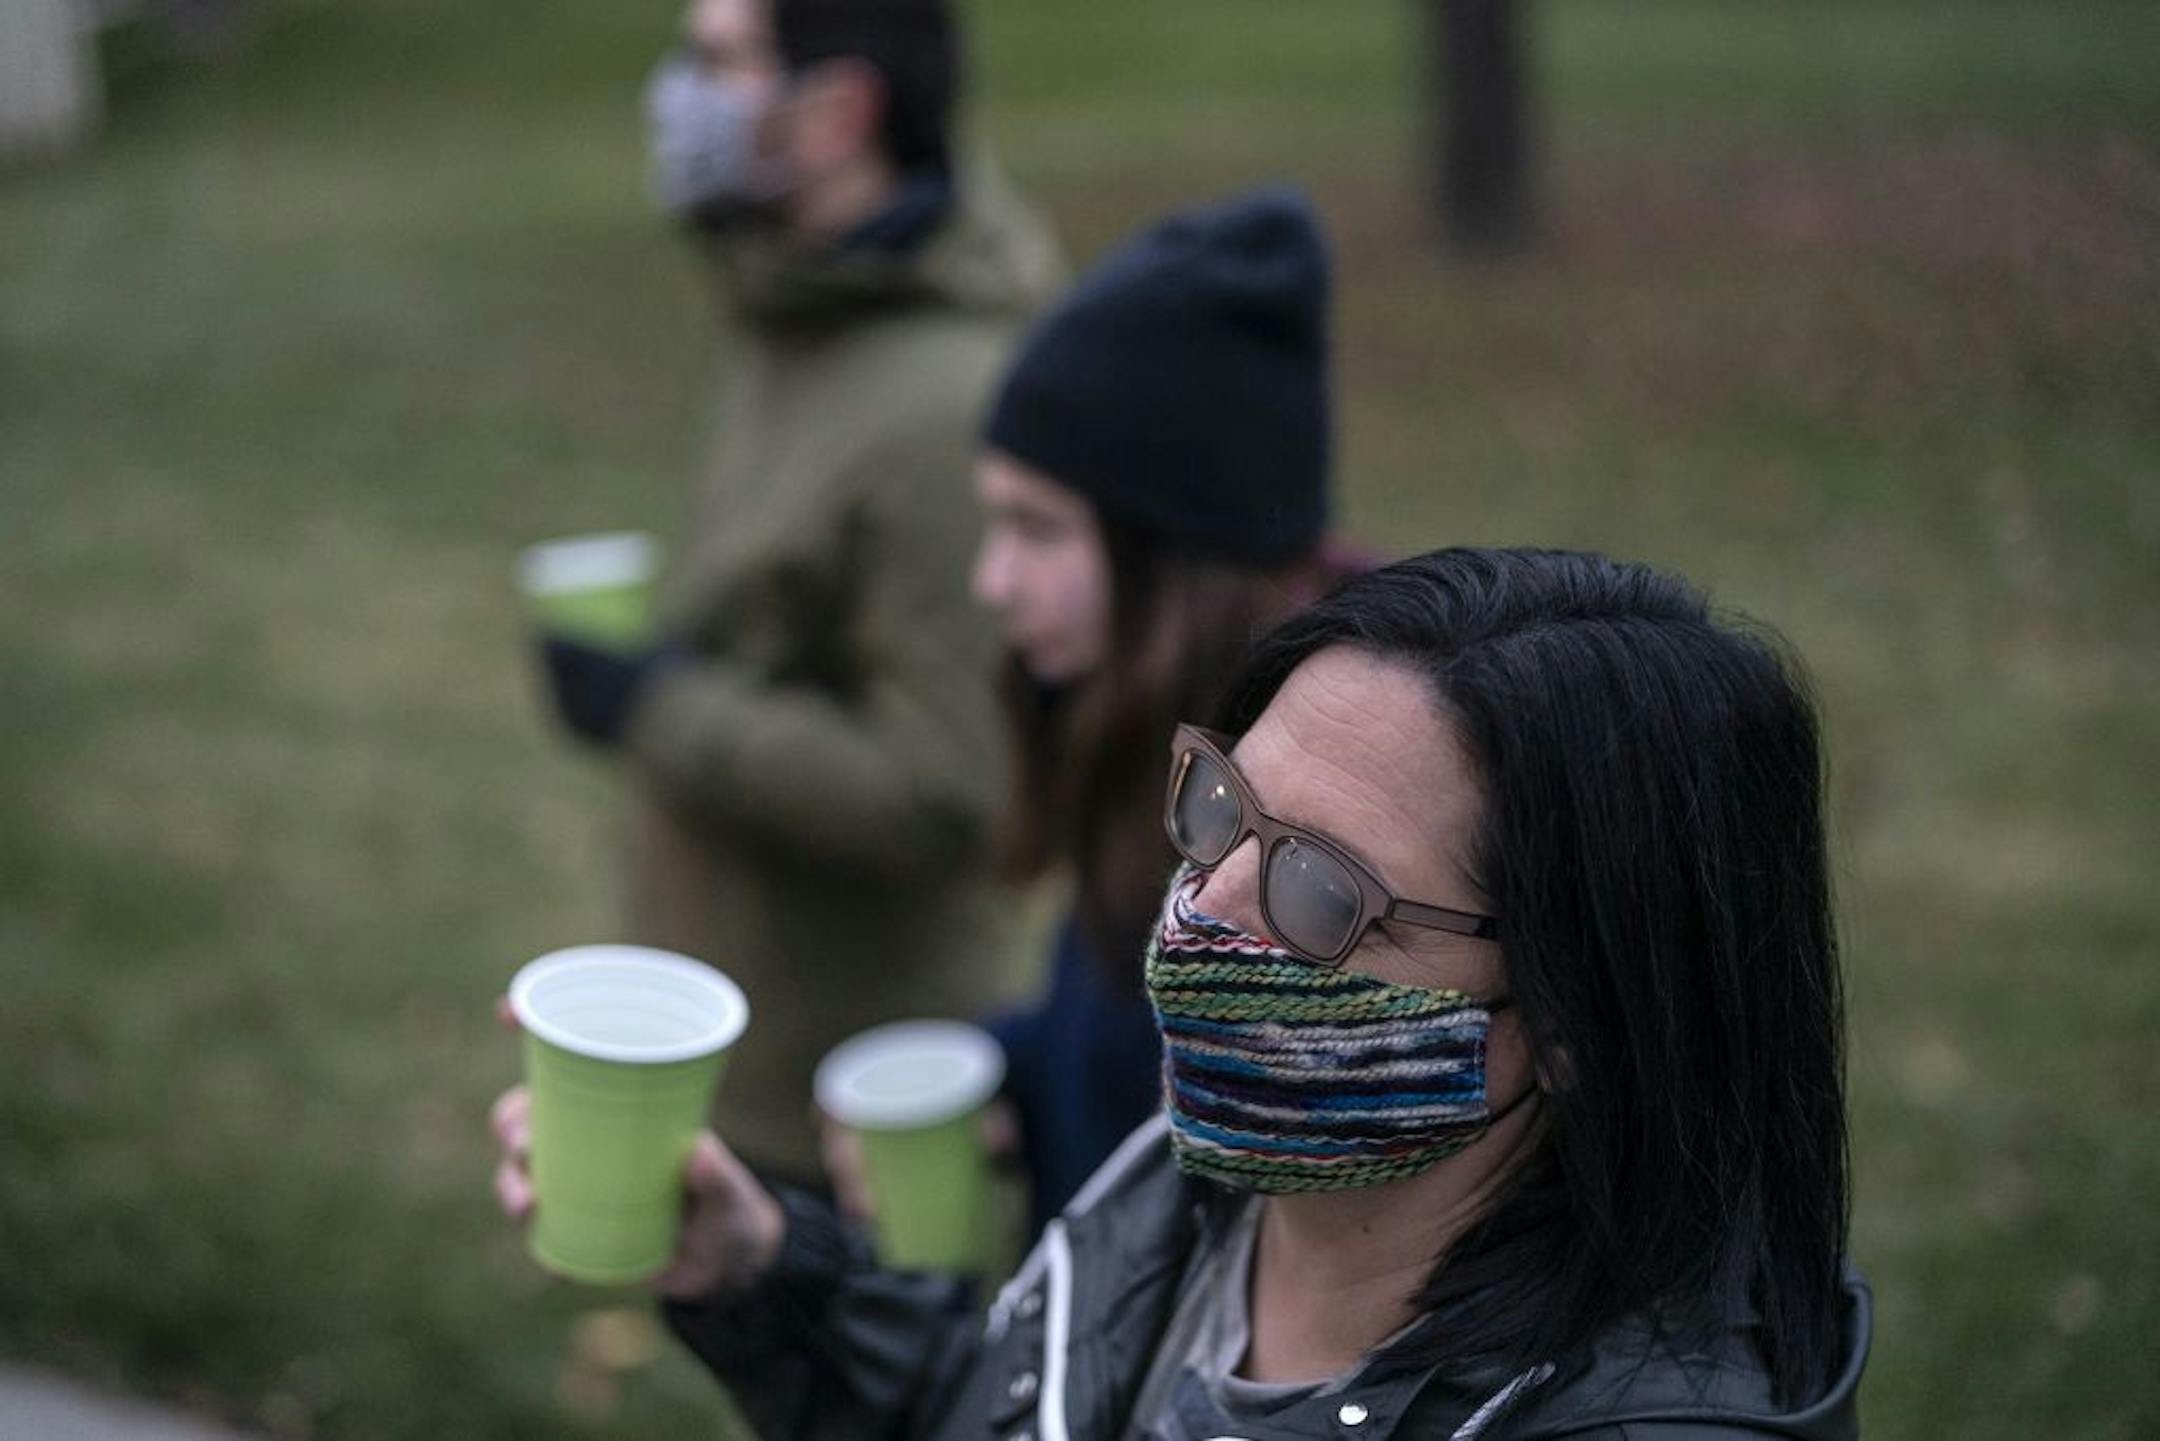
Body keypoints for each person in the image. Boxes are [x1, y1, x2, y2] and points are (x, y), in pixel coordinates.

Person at [498, 547, 1872, 1439]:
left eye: (1323, 892)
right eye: (1223, 809)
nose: (1202, 906)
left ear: (1581, 1015)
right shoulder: (1208, 1174)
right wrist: (770, 1276)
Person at [532, 0, 1061, 1180]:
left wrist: (655, 709)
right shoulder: (797, 305)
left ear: (836, 113)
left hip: (856, 1127)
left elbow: (950, 793)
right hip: (747, 1054)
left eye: (717, 62)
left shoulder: (943, 405)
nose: (673, 93)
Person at [965, 186, 1361, 1233]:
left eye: (1037, 530)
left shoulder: (1288, 875)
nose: (991, 581)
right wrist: (1003, 1076)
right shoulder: (1140, 739)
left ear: (1179, 556)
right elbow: (1109, 1036)